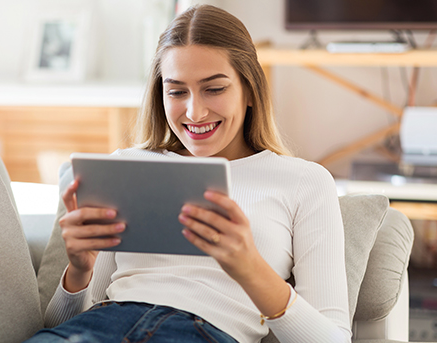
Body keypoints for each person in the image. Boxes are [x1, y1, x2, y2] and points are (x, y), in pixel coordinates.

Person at [26, 4, 351, 343]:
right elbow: (62, 322)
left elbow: (333, 339)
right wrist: (79, 270)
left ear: (250, 90)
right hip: (101, 325)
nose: (195, 112)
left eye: (214, 88)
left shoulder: (304, 182)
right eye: (177, 91)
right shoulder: (128, 166)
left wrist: (249, 266)